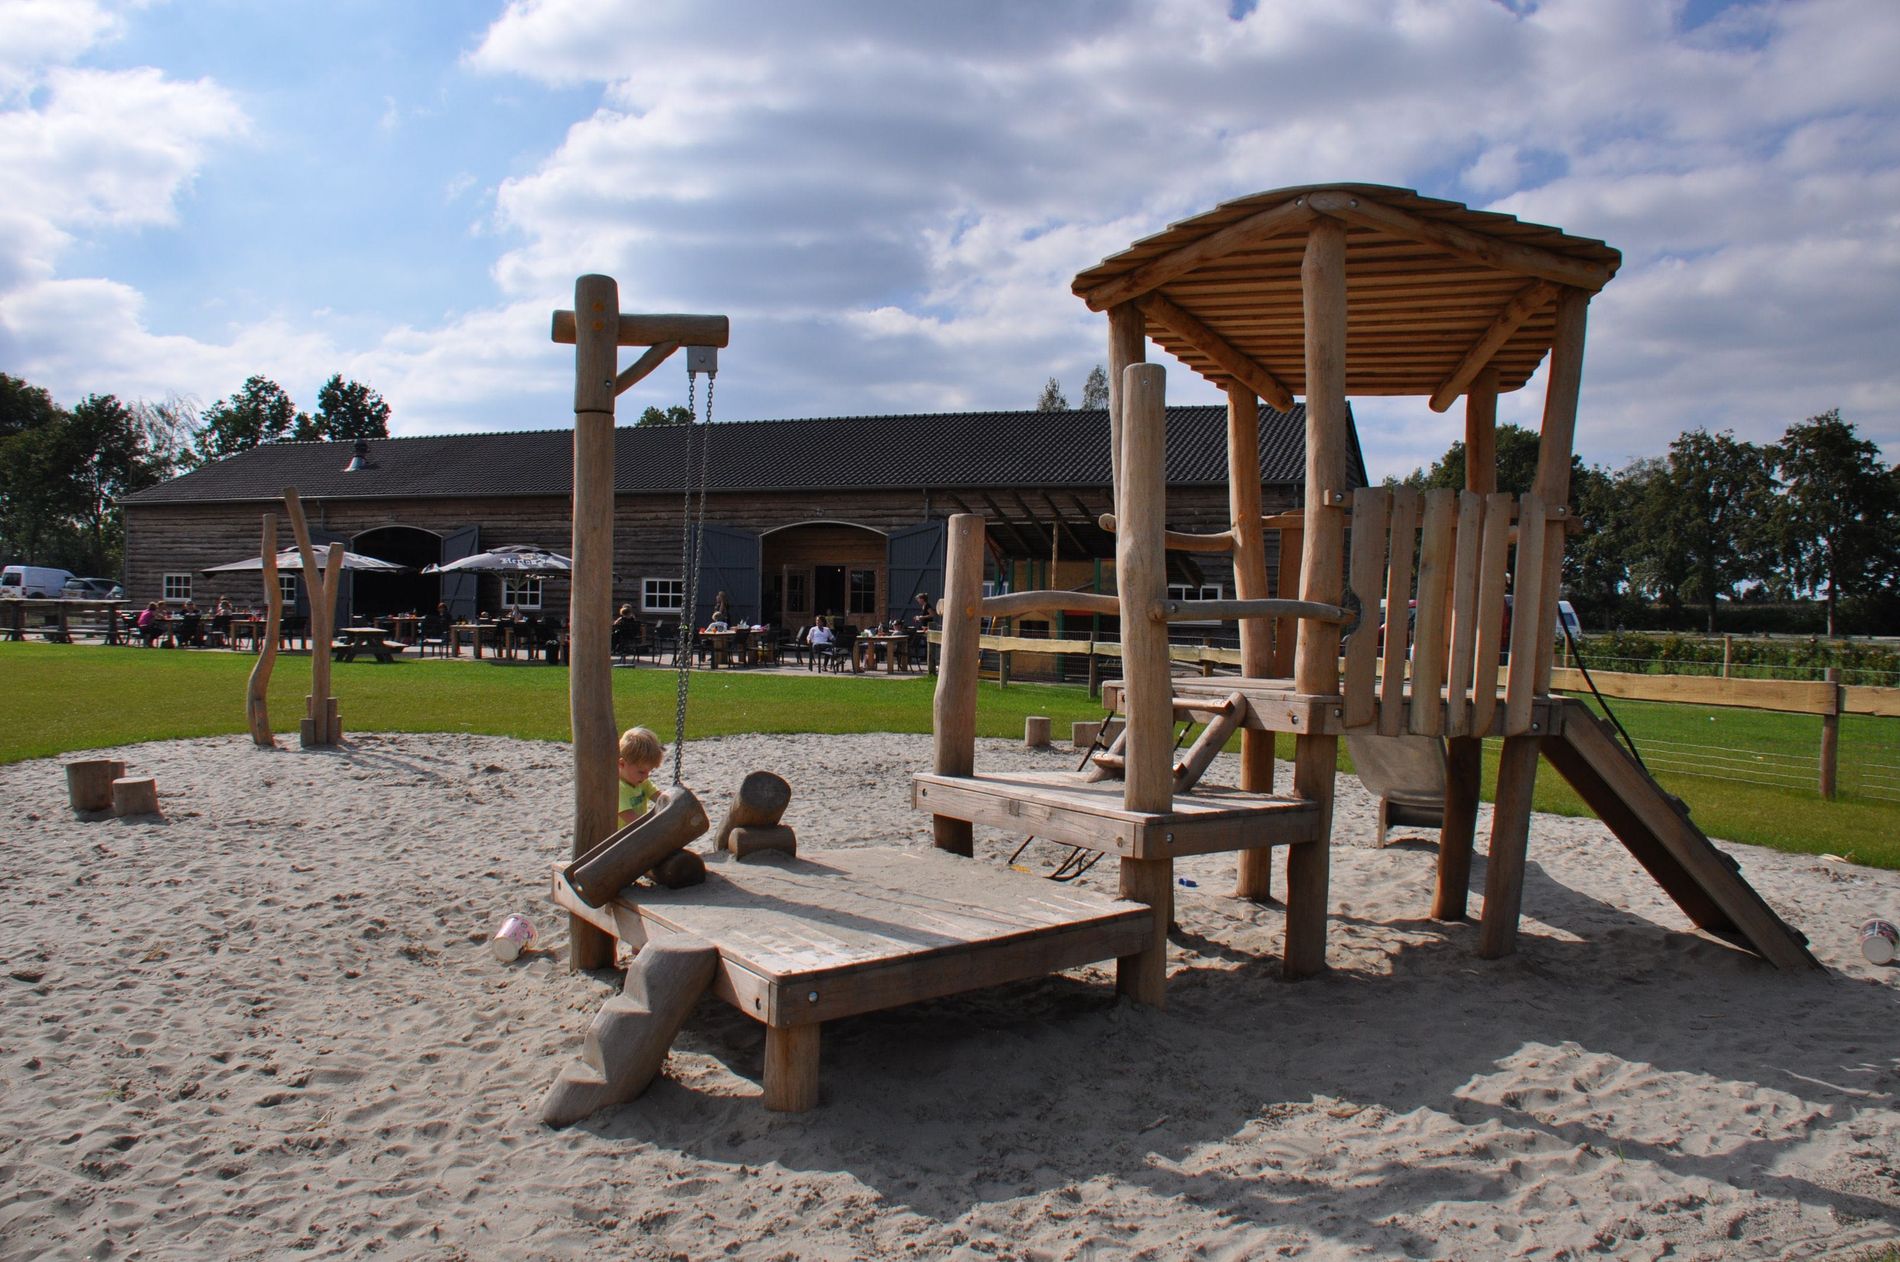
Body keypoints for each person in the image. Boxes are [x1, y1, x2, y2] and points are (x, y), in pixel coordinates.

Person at [617, 726, 664, 826]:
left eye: (649, 771)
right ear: (622, 764)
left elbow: (661, 799)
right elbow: (632, 820)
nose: (646, 777)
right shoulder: (618, 788)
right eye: (641, 772)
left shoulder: (642, 781)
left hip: (637, 834)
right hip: (622, 838)